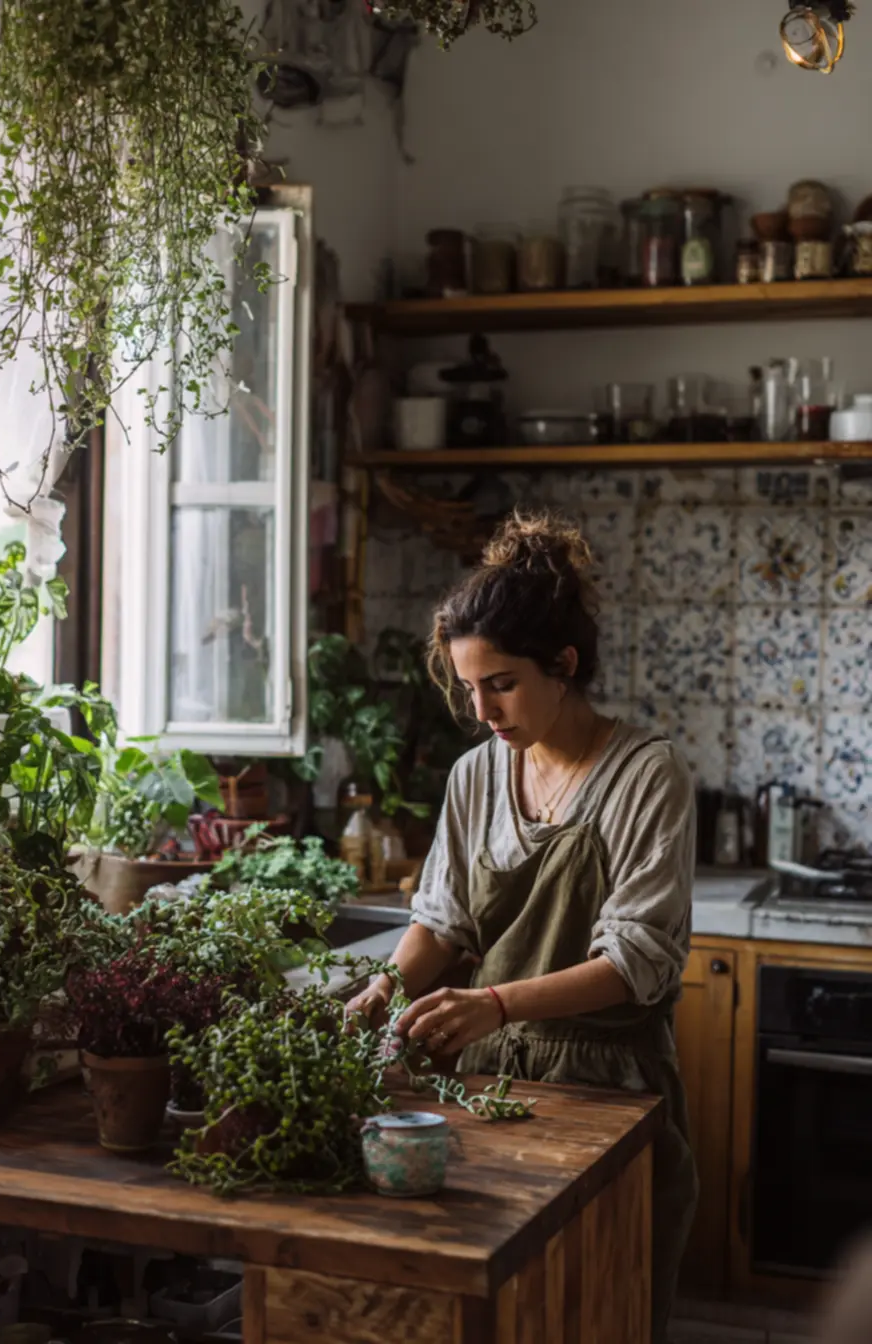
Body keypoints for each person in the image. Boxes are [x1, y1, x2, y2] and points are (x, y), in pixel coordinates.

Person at [346, 509, 698, 1343]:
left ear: (563, 665)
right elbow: (443, 922)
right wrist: (386, 984)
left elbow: (635, 961)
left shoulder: (646, 775)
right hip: (485, 1088)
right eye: (470, 687)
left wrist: (496, 1002)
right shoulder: (476, 776)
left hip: (609, 1090)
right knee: (498, 1312)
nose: (481, 708)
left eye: (499, 682)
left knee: (596, 1310)